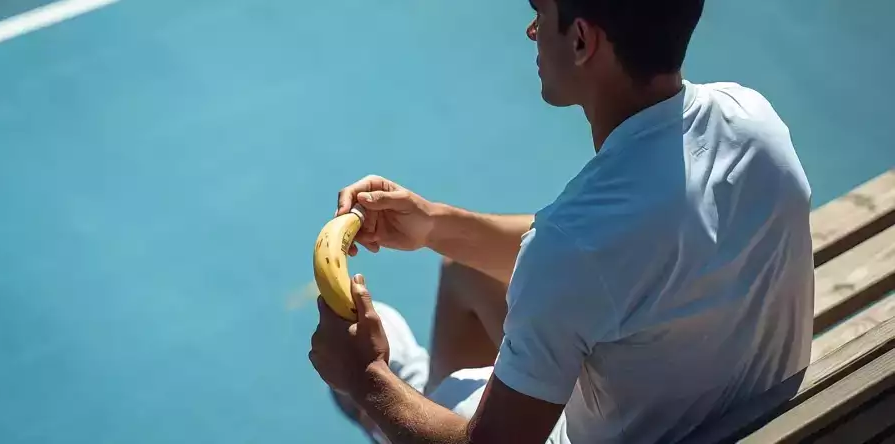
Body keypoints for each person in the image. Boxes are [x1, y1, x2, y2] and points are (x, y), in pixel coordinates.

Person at [306, 0, 816, 442]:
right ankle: (426, 389)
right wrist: (432, 224)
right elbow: (608, 255)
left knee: (403, 384)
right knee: (463, 270)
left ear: (579, 40)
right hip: (755, 413)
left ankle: (400, 401)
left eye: (540, 11)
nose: (531, 29)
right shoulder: (754, 123)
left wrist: (365, 378)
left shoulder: (574, 248)